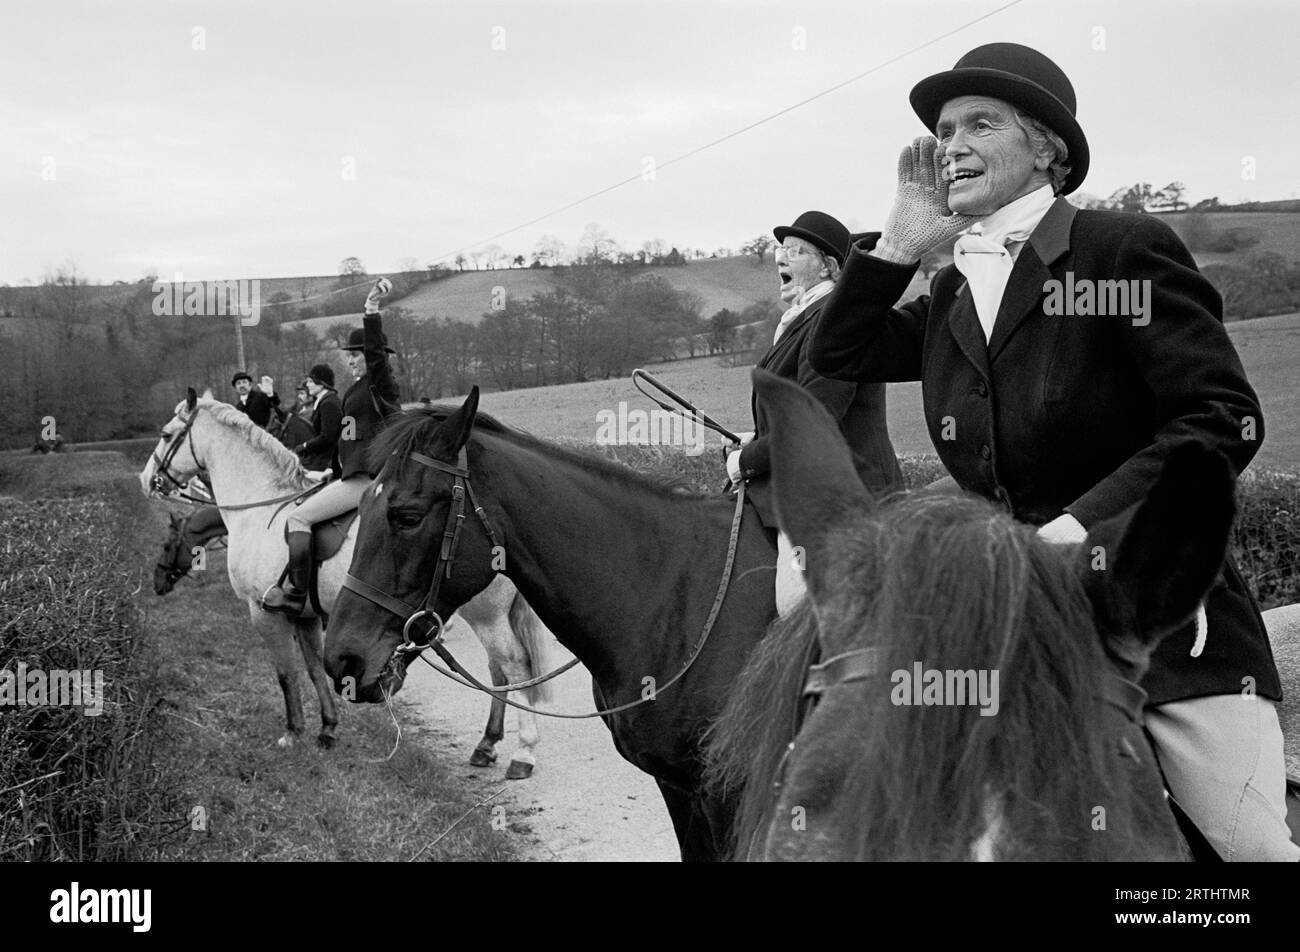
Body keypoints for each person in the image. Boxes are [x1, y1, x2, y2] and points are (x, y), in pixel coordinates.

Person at [808, 42, 1293, 860]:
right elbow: (838, 355)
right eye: (943, 131)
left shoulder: (1121, 249)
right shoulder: (954, 285)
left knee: (1250, 850)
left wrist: (1077, 531)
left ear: (1046, 149)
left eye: (978, 124)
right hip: (1000, 622)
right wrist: (894, 250)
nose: (949, 145)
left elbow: (1221, 419)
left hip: (1150, 613)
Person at [727, 210, 903, 615]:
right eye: (781, 251)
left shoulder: (830, 320)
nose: (780, 259)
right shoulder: (802, 320)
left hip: (850, 500)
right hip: (811, 489)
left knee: (794, 611)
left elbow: (814, 423)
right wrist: (755, 439)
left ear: (830, 267)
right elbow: (796, 411)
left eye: (796, 251)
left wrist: (742, 462)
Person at [262, 279, 399, 616]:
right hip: (349, 475)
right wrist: (332, 472)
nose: (352, 361)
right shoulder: (357, 389)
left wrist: (371, 311)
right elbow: (348, 440)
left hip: (366, 480)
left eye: (357, 355)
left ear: (372, 356)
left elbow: (377, 357)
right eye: (350, 356)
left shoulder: (380, 385)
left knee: (298, 518)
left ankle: (296, 593)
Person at [293, 364, 343, 476]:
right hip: (322, 459)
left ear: (321, 384)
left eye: (311, 381)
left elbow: (327, 437)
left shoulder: (329, 403)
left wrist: (305, 446)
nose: (307, 385)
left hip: (328, 462)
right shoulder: (323, 402)